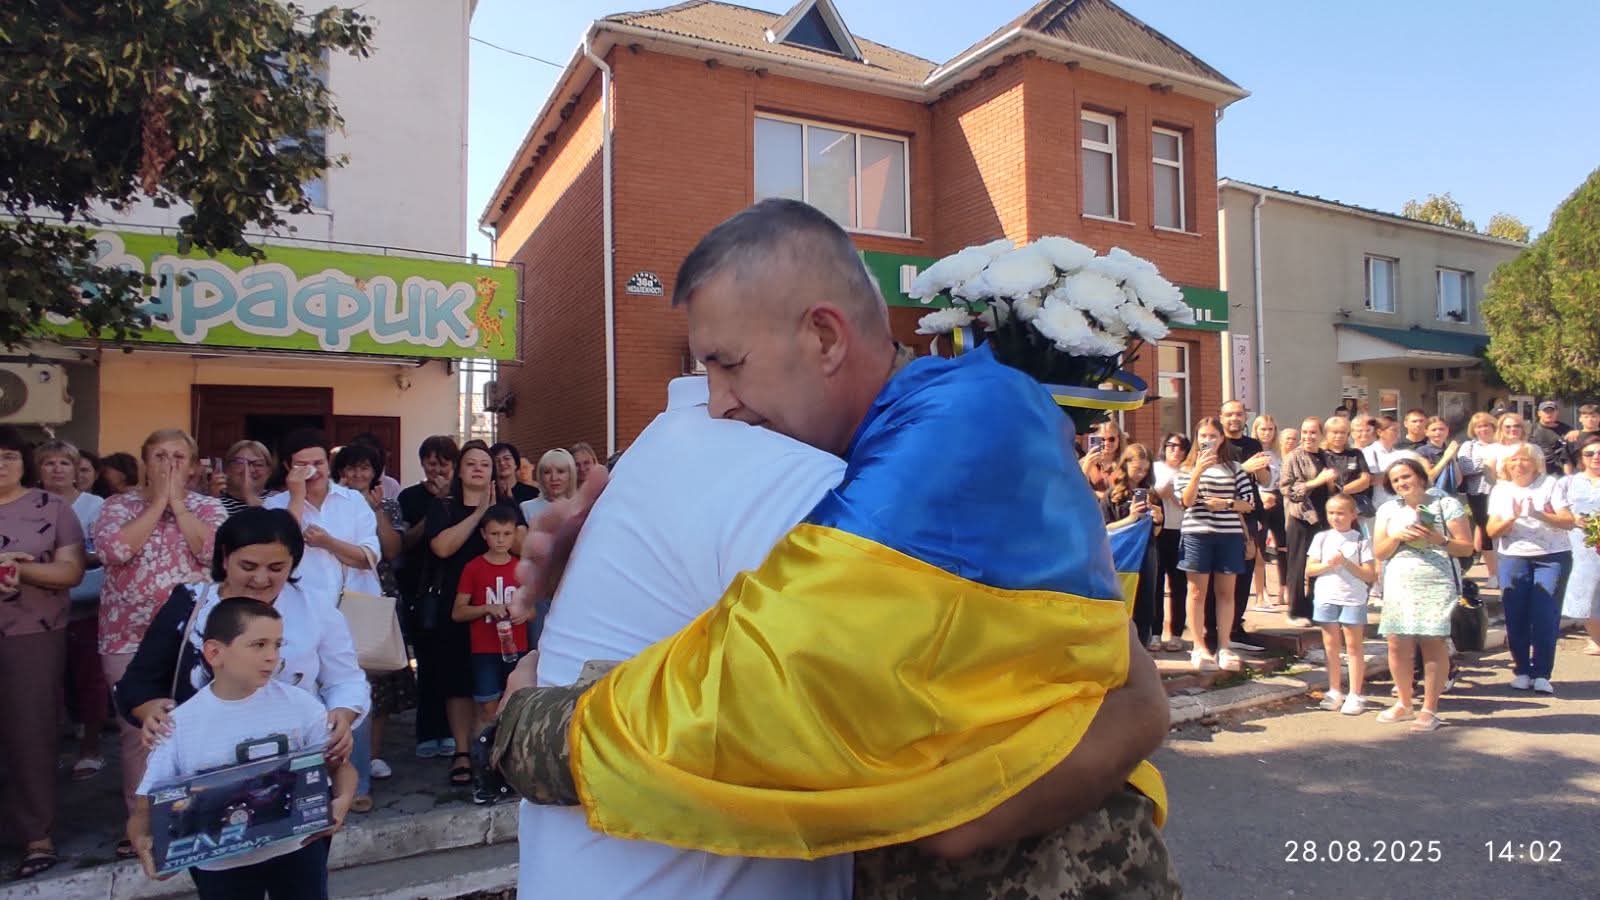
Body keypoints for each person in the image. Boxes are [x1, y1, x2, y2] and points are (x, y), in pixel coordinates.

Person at [492, 199, 1176, 895]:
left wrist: (531, 729)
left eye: (729, 366)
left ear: (824, 337)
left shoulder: (954, 432)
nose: (719, 404)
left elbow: (774, 699)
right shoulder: (926, 420)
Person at [112, 508, 368, 777]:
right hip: (205, 761)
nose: (260, 579)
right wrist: (151, 710)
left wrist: (342, 713)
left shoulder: (316, 609)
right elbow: (138, 683)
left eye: (276, 568)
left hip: (294, 759)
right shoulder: (190, 605)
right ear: (224, 558)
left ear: (293, 563)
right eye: (248, 566)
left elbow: (345, 679)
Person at [127, 598, 355, 899]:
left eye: (277, 644)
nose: (271, 657)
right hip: (219, 866)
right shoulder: (178, 726)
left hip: (298, 849)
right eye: (258, 645)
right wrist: (143, 841)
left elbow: (340, 767)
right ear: (214, 652)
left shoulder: (302, 706)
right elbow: (146, 807)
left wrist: (343, 801)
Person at [94, 428, 228, 856]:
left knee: (195, 726)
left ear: (192, 466)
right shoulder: (117, 506)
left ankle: (194, 814)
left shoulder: (209, 507)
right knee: (138, 731)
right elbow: (114, 551)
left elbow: (214, 554)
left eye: (177, 456)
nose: (168, 464)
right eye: (158, 456)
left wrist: (179, 507)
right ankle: (143, 820)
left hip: (191, 635)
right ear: (144, 463)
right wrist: (157, 505)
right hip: (126, 634)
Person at [0, 428, 87, 879]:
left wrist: (23, 570)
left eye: (9, 455)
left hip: (32, 632)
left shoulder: (50, 508)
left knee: (30, 732)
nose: (1, 463)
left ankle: (37, 834)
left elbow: (71, 570)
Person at [421, 441, 527, 787]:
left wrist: (497, 515)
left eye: (485, 463)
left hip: (503, 613)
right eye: (471, 463)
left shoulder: (509, 505)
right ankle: (462, 752)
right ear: (460, 470)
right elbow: (442, 546)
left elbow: (523, 548)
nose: (479, 469)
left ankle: (499, 752)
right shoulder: (444, 506)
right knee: (458, 682)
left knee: (497, 685)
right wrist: (479, 512)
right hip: (460, 606)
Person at [333, 441, 415, 799]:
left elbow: (393, 549)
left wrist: (377, 509)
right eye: (351, 468)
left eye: (365, 468)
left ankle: (374, 754)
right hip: (334, 595)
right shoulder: (330, 503)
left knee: (376, 676)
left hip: (375, 592)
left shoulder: (388, 504)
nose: (357, 474)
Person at [1374, 458, 1473, 731]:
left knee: (1432, 641)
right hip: (1399, 581)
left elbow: (1466, 548)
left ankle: (1430, 708)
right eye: (1395, 480)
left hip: (1436, 581)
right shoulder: (1387, 510)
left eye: (1406, 476)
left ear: (1419, 476)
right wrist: (1397, 537)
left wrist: (1437, 538)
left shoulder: (1446, 504)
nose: (1401, 483)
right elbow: (1379, 552)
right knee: (1397, 642)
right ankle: (1404, 703)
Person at [37, 439, 109, 782]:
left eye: (64, 463)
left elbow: (106, 551)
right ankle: (45, 752)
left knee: (88, 679)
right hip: (38, 605)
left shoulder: (95, 505)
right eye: (48, 463)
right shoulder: (29, 504)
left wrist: (67, 560)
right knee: (46, 683)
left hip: (87, 605)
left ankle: (91, 748)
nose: (57, 469)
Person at [451, 506, 527, 803]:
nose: (500, 540)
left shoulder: (521, 568)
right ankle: (483, 773)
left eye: (507, 534)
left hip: (516, 648)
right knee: (486, 709)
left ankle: (514, 772)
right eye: (494, 533)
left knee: (516, 707)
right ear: (484, 534)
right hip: (484, 649)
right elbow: (458, 611)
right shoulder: (474, 567)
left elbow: (532, 607)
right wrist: (486, 608)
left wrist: (522, 613)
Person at [1487, 443, 1575, 694]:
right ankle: (1522, 670)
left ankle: (1542, 673)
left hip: (1552, 556)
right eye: (1512, 461)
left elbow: (1568, 521)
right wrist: (1512, 518)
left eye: (1523, 460)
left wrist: (1539, 514)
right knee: (1516, 616)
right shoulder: (1501, 490)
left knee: (1545, 614)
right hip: (1513, 557)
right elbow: (1492, 531)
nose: (1518, 465)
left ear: (1535, 463)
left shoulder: (1550, 484)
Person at [263, 429, 381, 610]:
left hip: (354, 608)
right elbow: (277, 552)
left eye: (318, 463)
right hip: (300, 608)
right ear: (288, 467)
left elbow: (368, 559)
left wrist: (329, 543)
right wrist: (297, 498)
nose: (312, 471)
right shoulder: (274, 504)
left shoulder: (353, 501)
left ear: (328, 463)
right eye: (302, 465)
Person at [1174, 417, 1256, 671]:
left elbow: (1248, 503)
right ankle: (1198, 646)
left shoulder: (1235, 468)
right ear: (1196, 439)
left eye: (1213, 436)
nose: (1208, 440)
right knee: (1196, 592)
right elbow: (1186, 501)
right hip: (1197, 534)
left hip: (1228, 534)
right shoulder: (1185, 470)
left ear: (1222, 439)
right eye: (1203, 436)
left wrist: (1227, 504)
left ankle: (1225, 645)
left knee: (1225, 592)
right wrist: (1198, 470)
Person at [395, 435, 457, 759]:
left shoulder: (461, 495)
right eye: (430, 462)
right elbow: (405, 541)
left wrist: (449, 500)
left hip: (455, 589)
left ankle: (450, 731)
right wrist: (434, 507)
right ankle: (426, 732)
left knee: (451, 663)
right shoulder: (410, 496)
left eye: (443, 463)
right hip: (421, 589)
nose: (436, 469)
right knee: (427, 662)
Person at [1306, 494, 1376, 715]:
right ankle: (1334, 690)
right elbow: (1309, 569)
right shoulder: (1321, 538)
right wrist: (1328, 564)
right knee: (1330, 646)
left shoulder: (1360, 540)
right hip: (1326, 596)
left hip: (1352, 598)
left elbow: (1369, 574)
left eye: (1341, 513)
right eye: (1331, 513)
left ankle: (1355, 693)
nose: (1336, 517)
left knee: (1354, 647)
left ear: (1353, 515)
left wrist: (1346, 562)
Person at [1215, 399, 1271, 649]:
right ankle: (1217, 628)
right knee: (1224, 573)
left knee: (1246, 570)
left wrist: (1260, 470)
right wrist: (1244, 468)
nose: (1234, 419)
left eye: (1238, 414)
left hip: (1251, 514)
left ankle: (1236, 625)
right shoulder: (1216, 443)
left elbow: (1266, 479)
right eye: (1229, 414)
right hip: (1223, 514)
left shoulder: (1252, 444)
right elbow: (1213, 477)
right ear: (1221, 417)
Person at [1101, 444, 1162, 650]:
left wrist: (1159, 519)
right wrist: (1132, 518)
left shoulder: (1152, 495)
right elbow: (1105, 528)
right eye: (1137, 469)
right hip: (1121, 555)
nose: (1141, 475)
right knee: (1120, 599)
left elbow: (1155, 533)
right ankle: (1117, 646)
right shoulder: (1112, 495)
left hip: (1146, 553)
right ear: (1125, 466)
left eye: (1145, 470)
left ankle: (1142, 647)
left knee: (1146, 601)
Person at [1281, 417, 1333, 622]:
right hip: (1301, 516)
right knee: (1297, 565)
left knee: (1318, 565)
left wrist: (1330, 484)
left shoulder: (1326, 456)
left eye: (1313, 432)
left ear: (1321, 435)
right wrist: (1317, 481)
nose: (1308, 436)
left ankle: (1314, 608)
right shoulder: (1294, 457)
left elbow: (1335, 486)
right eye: (1304, 432)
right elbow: (1288, 490)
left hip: (1324, 517)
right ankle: (1295, 611)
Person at [1152, 433, 1190, 651]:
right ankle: (1155, 633)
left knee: (1179, 585)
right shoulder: (1156, 468)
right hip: (1159, 531)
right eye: (1171, 446)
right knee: (1156, 584)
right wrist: (1161, 492)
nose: (1176, 451)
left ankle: (1176, 633)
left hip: (1182, 531)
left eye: (1181, 447)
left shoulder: (1189, 471)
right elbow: (1150, 493)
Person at [1562, 434, 1600, 654]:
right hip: (1581, 544)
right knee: (1588, 591)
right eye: (1590, 453)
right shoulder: (1569, 482)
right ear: (1581, 458)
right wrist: (1572, 519)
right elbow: (1557, 509)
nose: (1596, 457)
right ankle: (1595, 638)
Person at [1457, 412, 1502, 585]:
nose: (1483, 429)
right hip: (1479, 492)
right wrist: (1487, 462)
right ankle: (1492, 573)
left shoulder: (1502, 445)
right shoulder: (1468, 446)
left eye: (1487, 425)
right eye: (1479, 426)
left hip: (1501, 491)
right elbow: (1465, 467)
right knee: (1486, 530)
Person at [1251, 415, 1288, 611]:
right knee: (1260, 548)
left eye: (1270, 429)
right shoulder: (1252, 451)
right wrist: (1261, 495)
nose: (1267, 433)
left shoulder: (1278, 454)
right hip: (1259, 500)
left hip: (1278, 499)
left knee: (1283, 545)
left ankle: (1284, 588)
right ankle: (1261, 591)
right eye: (1262, 429)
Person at [518, 448, 578, 524]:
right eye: (547, 472)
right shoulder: (526, 508)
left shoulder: (581, 508)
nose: (554, 478)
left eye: (560, 471)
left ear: (571, 474)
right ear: (541, 476)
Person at [216, 440, 273, 516]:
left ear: (269, 471)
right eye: (240, 463)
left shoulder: (280, 499)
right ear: (227, 469)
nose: (249, 470)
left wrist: (250, 495)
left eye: (258, 464)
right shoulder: (215, 502)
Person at [1415, 416, 1462, 492]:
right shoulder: (1422, 451)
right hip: (1430, 495)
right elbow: (1429, 478)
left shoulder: (1449, 450)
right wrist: (1446, 458)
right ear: (1426, 432)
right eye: (1434, 430)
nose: (1438, 432)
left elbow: (1458, 481)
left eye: (1441, 429)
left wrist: (1453, 458)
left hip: (1449, 495)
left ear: (1447, 431)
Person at [1078, 419, 1124, 493]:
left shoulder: (1126, 461)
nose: (1106, 443)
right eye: (1102, 439)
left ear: (1119, 439)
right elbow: (1077, 488)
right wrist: (1087, 467)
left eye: (1111, 439)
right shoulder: (1084, 462)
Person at [1563, 403, 1600, 473]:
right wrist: (1568, 479)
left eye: (1594, 416)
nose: (1590, 419)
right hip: (1580, 476)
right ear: (1580, 419)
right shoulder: (1573, 437)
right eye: (1586, 417)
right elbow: (1567, 461)